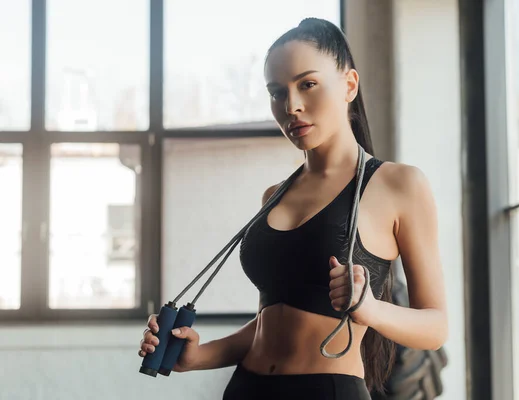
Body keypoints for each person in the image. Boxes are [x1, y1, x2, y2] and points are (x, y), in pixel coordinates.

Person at [138, 17, 447, 400]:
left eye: (308, 84)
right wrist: (199, 356)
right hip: (247, 389)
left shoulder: (399, 184)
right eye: (277, 92)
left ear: (349, 84)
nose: (292, 106)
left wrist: (369, 308)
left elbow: (435, 327)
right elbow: (273, 320)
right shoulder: (274, 195)